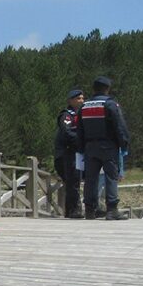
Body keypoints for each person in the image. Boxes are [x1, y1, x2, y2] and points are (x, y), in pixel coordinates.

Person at [76, 76, 130, 221]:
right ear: (107, 89)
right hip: (108, 146)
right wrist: (123, 144)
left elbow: (79, 130)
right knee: (111, 177)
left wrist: (81, 148)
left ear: (93, 89)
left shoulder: (84, 106)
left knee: (90, 179)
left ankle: (89, 210)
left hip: (89, 147)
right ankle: (112, 210)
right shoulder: (110, 105)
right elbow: (120, 126)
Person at [54, 89, 84, 218]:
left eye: (82, 98)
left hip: (77, 153)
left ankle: (72, 210)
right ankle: (73, 210)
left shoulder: (81, 114)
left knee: (75, 182)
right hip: (66, 153)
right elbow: (67, 133)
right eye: (78, 99)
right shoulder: (67, 115)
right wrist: (81, 140)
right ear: (70, 101)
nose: (81, 101)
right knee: (72, 181)